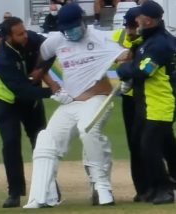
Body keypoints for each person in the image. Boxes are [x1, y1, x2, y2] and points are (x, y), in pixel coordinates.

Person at [24, 3, 127, 208]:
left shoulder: (100, 38)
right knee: (46, 139)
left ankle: (102, 187)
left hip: (98, 98)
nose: (71, 31)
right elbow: (40, 64)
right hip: (70, 102)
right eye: (66, 28)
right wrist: (54, 87)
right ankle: (43, 195)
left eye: (74, 26)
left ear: (83, 21)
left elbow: (124, 56)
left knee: (87, 130)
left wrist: (126, 75)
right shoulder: (55, 41)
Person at [0, 17, 59, 208]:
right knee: (11, 143)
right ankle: (15, 192)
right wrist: (52, 92)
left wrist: (41, 68)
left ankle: (49, 186)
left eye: (24, 31)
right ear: (8, 37)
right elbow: (21, 90)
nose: (25, 36)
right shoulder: (2, 57)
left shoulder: (33, 39)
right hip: (5, 100)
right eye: (19, 34)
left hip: (31, 98)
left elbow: (52, 50)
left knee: (41, 140)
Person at [116, 1, 176, 204]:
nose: (136, 19)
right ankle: (154, 187)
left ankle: (164, 189)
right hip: (147, 103)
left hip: (160, 103)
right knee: (152, 146)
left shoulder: (160, 44)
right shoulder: (149, 40)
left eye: (139, 17)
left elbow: (144, 71)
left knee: (149, 146)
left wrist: (122, 70)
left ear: (147, 20)